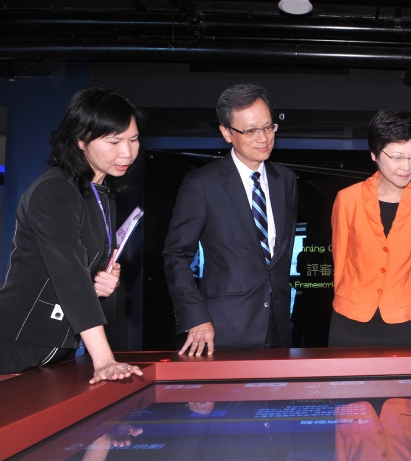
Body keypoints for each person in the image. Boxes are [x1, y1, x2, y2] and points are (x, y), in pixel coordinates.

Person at [0, 88, 143, 383]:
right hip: (17, 342)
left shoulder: (101, 193)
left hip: (59, 343)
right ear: (80, 140)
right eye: (114, 141)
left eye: (133, 139)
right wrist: (103, 359)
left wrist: (103, 281)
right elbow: (69, 275)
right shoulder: (54, 190)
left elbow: (83, 273)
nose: (127, 152)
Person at [163, 82, 298, 353]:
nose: (263, 138)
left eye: (268, 127)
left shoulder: (286, 180)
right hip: (222, 328)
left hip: (279, 325)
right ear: (226, 133)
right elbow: (176, 254)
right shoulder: (202, 184)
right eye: (250, 131)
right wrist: (196, 317)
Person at [329, 110, 411, 347]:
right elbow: (340, 260)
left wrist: (409, 302)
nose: (407, 166)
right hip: (351, 315)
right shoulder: (347, 199)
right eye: (397, 156)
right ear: (374, 155)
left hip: (403, 318)